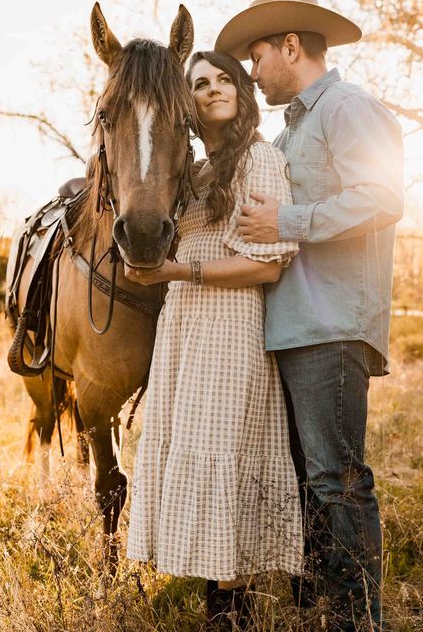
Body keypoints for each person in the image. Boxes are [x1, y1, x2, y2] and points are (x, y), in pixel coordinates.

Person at [215, 0, 404, 631]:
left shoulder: (348, 109)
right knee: (309, 483)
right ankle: (326, 613)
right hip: (293, 328)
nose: (253, 70)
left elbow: (382, 197)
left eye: (257, 56)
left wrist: (284, 220)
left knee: (337, 478)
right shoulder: (290, 130)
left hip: (330, 327)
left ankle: (358, 622)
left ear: (291, 46)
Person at [125, 50, 303, 629]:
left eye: (225, 78)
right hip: (184, 326)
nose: (213, 89)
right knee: (196, 455)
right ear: (187, 103)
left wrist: (180, 273)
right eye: (199, 84)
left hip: (229, 326)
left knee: (225, 459)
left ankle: (233, 614)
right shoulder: (196, 172)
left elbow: (267, 265)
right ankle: (219, 604)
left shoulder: (259, 159)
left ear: (242, 90)